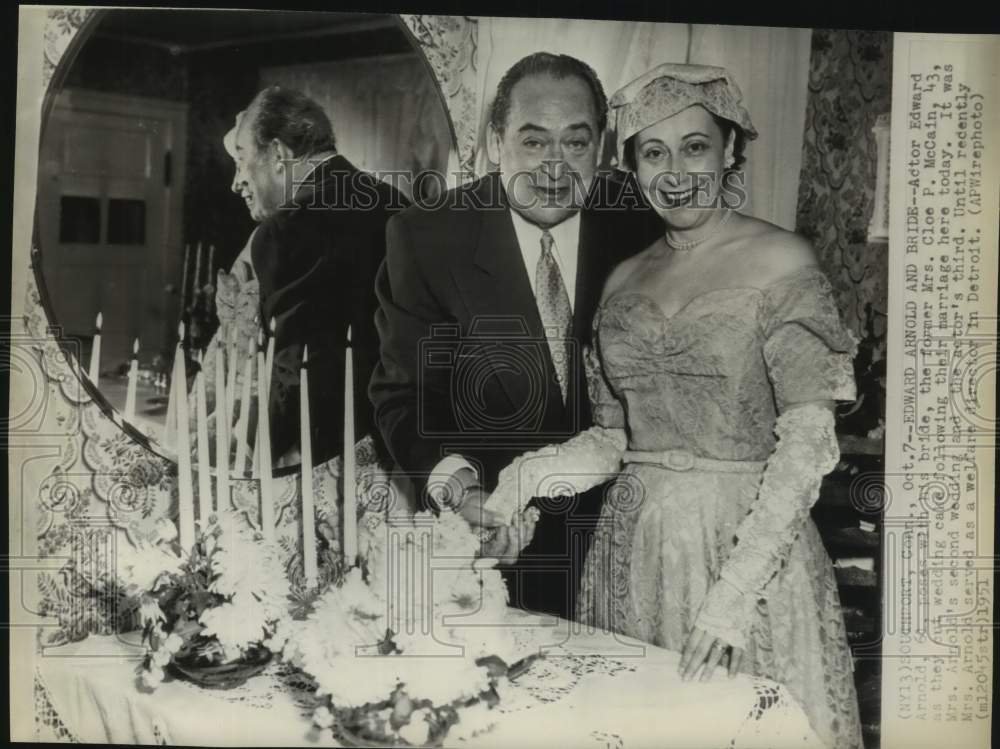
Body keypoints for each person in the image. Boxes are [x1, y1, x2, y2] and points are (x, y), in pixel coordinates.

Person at [487, 63, 863, 749]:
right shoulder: (624, 278)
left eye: (695, 146)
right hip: (631, 551)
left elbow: (806, 443)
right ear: (629, 166)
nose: (675, 170)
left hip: (746, 553)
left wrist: (732, 597)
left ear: (729, 152)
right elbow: (612, 439)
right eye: (652, 152)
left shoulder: (781, 260)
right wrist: (519, 486)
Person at [369, 53, 662, 619]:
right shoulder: (427, 239)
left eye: (576, 143)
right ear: (494, 141)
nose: (555, 167)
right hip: (502, 555)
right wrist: (462, 491)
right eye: (533, 142)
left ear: (601, 148)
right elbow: (402, 399)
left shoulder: (644, 224)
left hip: (635, 542)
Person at [231, 86, 408, 467]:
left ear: (277, 154)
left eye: (241, 159)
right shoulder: (402, 207)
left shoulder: (283, 231)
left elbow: (294, 370)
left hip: (324, 459)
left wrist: (250, 450)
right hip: (403, 450)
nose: (236, 182)